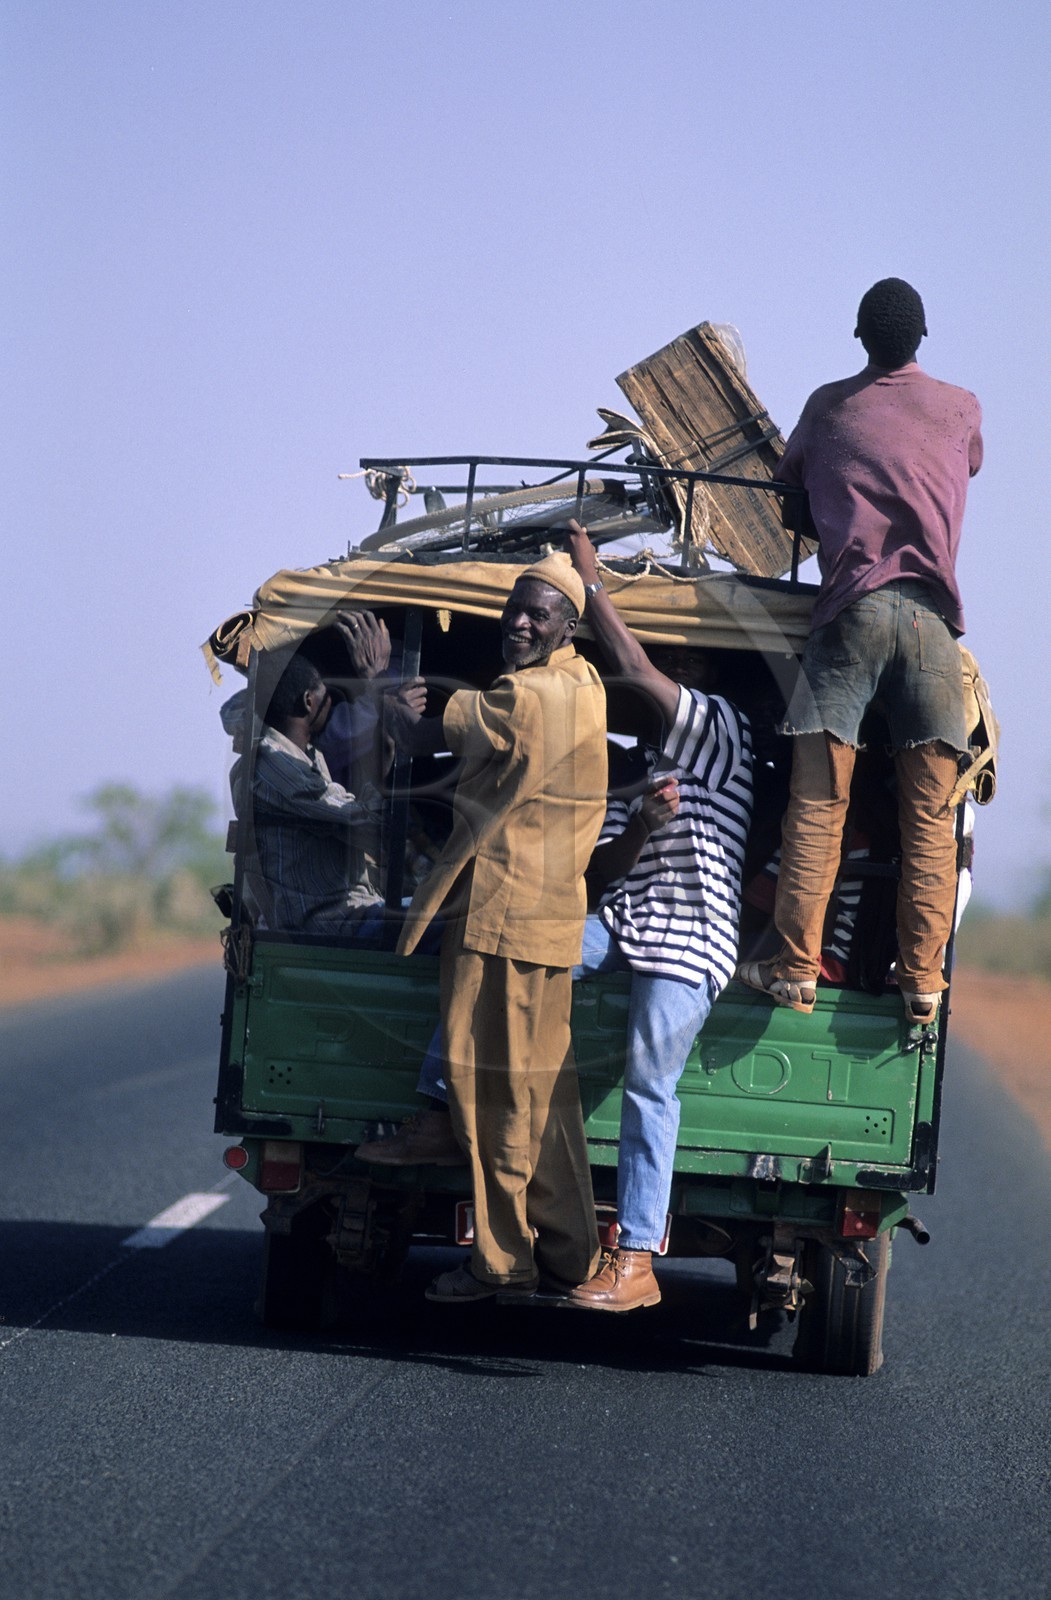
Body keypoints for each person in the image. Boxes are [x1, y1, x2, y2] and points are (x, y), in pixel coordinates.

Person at [738, 278, 983, 1026]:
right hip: (933, 626)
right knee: (929, 819)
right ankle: (921, 984)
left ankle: (791, 972)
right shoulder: (961, 406)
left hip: (849, 617)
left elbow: (789, 492)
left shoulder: (827, 405)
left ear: (858, 337)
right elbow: (966, 463)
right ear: (921, 338)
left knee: (817, 805)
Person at [371, 555, 608, 1303]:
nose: (519, 622)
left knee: (490, 1097)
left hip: (501, 920)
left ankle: (502, 1263)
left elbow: (417, 738)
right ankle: (572, 1255)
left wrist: (385, 689)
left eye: (537, 613)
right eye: (513, 609)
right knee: (548, 1100)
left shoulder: (525, 696)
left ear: (569, 626)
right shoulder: (587, 685)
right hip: (552, 921)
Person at [559, 521, 754, 1312]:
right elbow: (601, 875)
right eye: (660, 656)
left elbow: (631, 664)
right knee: (514, 946)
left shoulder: (716, 729)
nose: (652, 674)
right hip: (627, 923)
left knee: (649, 1083)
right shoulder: (635, 774)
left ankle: (636, 1257)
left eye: (676, 659)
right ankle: (441, 1105)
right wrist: (638, 826)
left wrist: (588, 576)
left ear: (701, 671)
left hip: (689, 937)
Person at [222, 619, 423, 934]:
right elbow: (370, 821)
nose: (333, 705)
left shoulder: (305, 757)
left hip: (344, 912)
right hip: (327, 922)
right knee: (453, 930)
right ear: (308, 702)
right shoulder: (276, 766)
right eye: (328, 696)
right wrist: (376, 686)